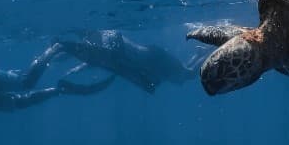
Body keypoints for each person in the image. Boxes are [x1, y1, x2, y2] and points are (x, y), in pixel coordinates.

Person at [26, 30, 194, 95]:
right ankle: (204, 53)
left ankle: (207, 51)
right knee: (186, 75)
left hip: (150, 59)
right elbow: (102, 57)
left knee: (187, 74)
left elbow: (104, 55)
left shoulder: (103, 38)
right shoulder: (97, 41)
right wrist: (80, 67)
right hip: (146, 61)